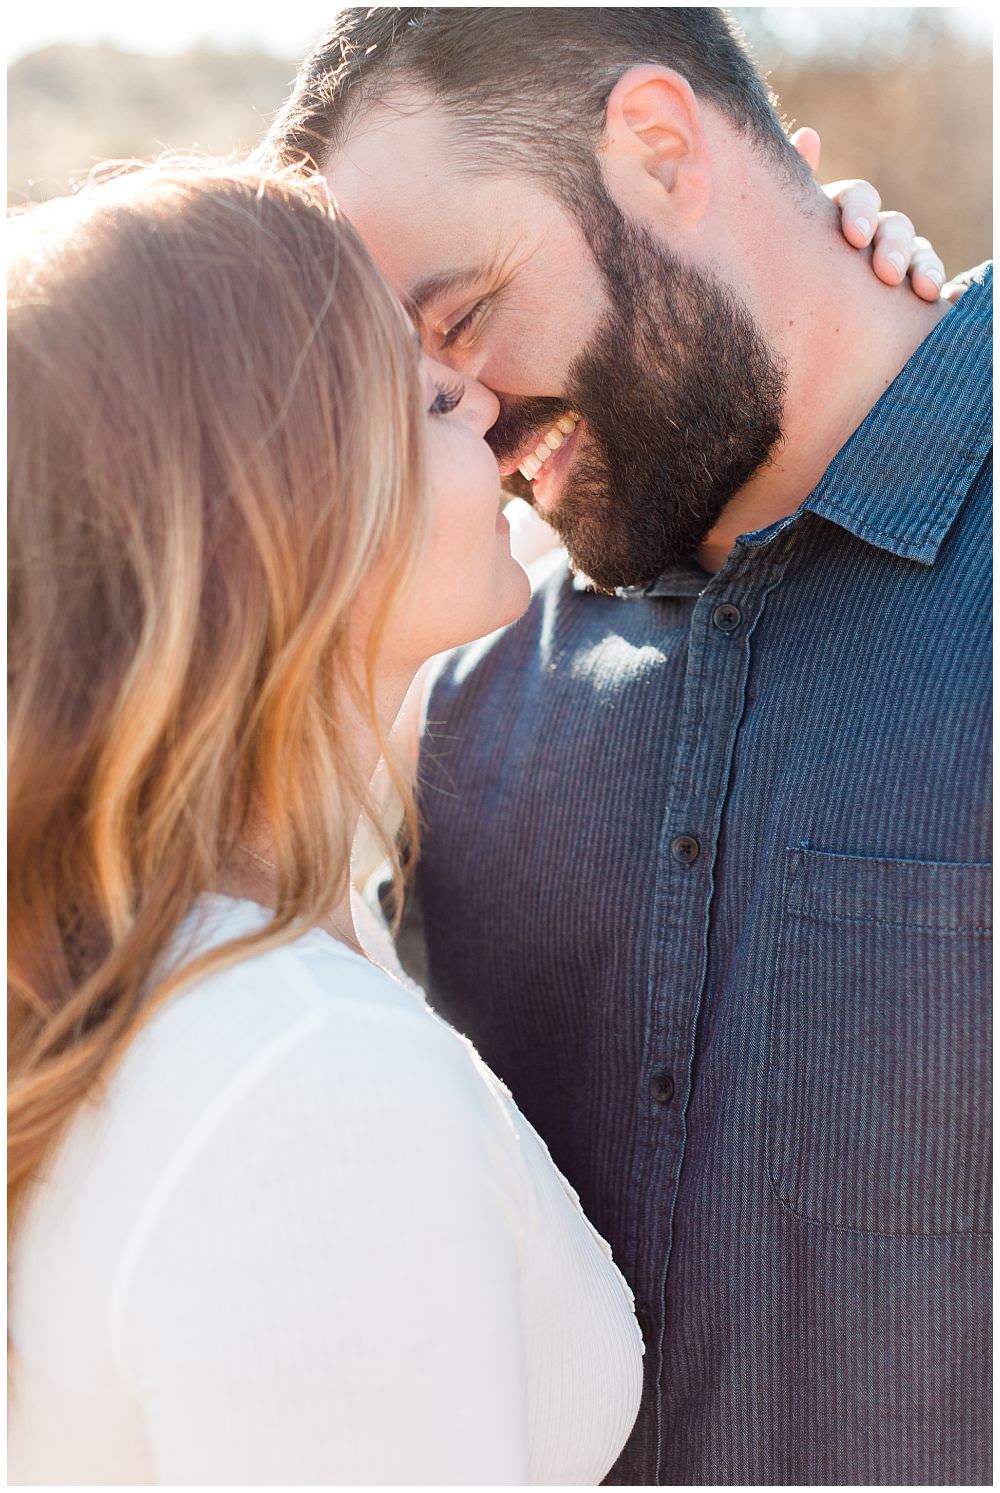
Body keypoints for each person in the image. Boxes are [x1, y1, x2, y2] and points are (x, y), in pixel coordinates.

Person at [257, 7, 992, 1486]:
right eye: (406, 385)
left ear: (660, 149)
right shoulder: (444, 679)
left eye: (460, 321)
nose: (466, 425)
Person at [7, 163, 646, 1485]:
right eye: (424, 394)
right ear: (280, 513)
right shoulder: (309, 1085)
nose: (484, 395)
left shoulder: (158, 955)